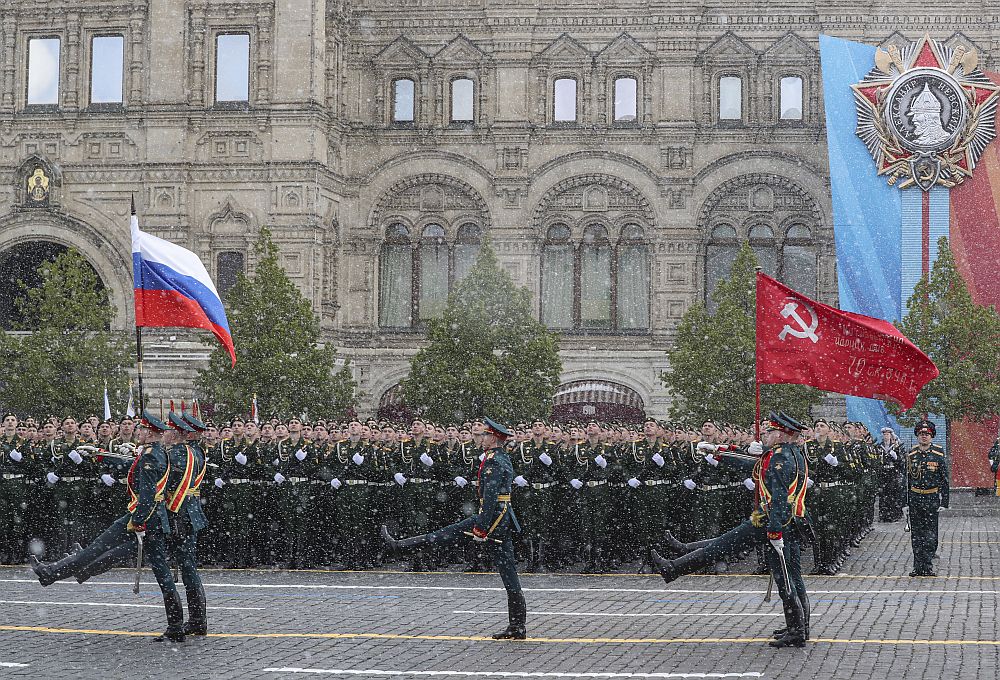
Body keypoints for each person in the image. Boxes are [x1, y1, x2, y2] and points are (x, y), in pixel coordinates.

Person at [650, 411, 810, 648]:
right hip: (781, 521)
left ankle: (674, 567)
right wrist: (718, 452)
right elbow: (751, 464)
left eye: (768, 432)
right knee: (789, 575)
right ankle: (799, 626)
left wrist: (775, 532)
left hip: (775, 522)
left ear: (780, 434)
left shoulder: (779, 459)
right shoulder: (786, 454)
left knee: (781, 575)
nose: (764, 435)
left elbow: (780, 500)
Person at [28, 411, 188, 642]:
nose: (137, 433)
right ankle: (175, 626)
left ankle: (51, 572)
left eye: (141, 430)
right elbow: (133, 464)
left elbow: (147, 494)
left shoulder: (151, 456)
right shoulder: (155, 453)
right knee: (161, 573)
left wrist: (139, 521)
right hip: (154, 519)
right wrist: (103, 455)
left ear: (150, 433)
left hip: (141, 518)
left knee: (96, 548)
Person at [382, 417, 526, 639]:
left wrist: (482, 525)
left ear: (494, 438)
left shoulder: (495, 460)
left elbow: (491, 496)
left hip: (494, 518)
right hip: (498, 517)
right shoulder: (495, 457)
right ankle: (517, 626)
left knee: (445, 534)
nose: (481, 438)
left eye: (485, 435)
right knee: (508, 573)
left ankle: (400, 547)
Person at [904, 420, 949, 577]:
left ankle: (927, 566)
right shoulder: (911, 454)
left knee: (930, 534)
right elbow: (907, 481)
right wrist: (905, 503)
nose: (924, 437)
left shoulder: (938, 454)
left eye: (927, 434)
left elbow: (944, 479)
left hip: (931, 497)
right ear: (917, 435)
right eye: (921, 434)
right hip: (916, 498)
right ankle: (917, 566)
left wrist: (945, 501)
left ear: (932, 436)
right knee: (917, 535)